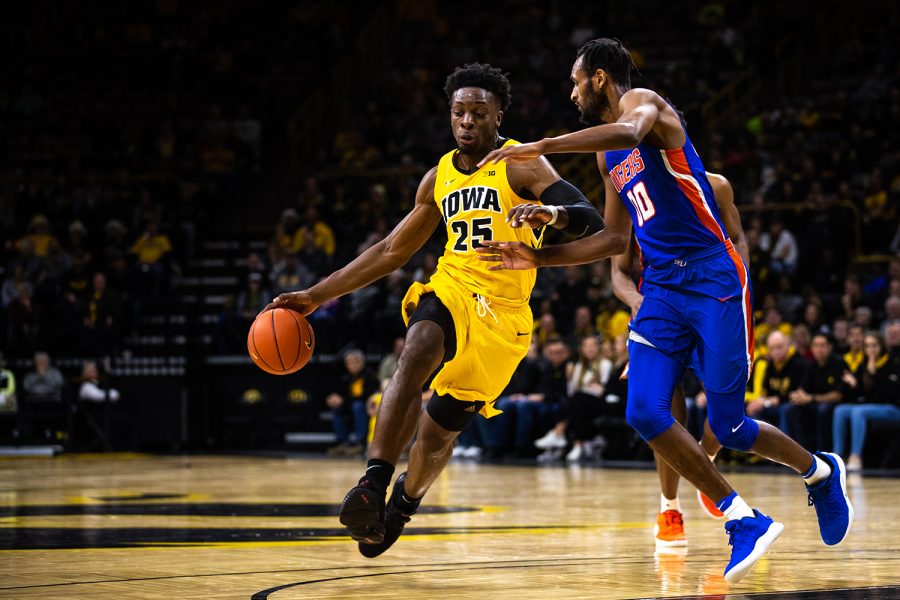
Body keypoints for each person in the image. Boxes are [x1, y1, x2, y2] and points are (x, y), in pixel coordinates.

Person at [476, 38, 852, 582]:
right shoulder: (608, 157)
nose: (571, 89)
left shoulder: (645, 106)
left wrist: (543, 145)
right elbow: (611, 239)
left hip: (713, 274)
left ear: (601, 79)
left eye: (576, 80)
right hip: (661, 290)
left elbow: (629, 131)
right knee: (645, 411)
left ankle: (819, 471)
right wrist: (536, 254)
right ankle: (741, 518)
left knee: (729, 423)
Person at [266, 63, 604, 557]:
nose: (466, 122)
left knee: (437, 436)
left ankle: (401, 506)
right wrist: (316, 296)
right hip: (453, 287)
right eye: (459, 112)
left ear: (497, 117)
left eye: (478, 113)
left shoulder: (521, 163)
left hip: (504, 316)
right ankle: (372, 482)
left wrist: (549, 214)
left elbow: (591, 220)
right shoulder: (438, 178)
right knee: (417, 346)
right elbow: (389, 253)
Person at [610, 170, 748, 546]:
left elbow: (736, 239)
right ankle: (669, 507)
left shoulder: (715, 186)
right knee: (662, 411)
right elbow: (619, 274)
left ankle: (703, 462)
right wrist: (638, 303)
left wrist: (738, 292)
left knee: (725, 412)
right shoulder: (634, 197)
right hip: (660, 308)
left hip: (711, 301)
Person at [835, 332, 900, 471]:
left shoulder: (892, 363)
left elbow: (888, 395)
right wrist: (854, 384)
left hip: (893, 409)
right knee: (840, 410)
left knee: (859, 411)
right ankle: (838, 457)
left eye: (874, 345)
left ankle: (856, 457)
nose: (871, 349)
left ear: (881, 346)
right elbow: (861, 395)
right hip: (872, 407)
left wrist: (874, 373)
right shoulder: (864, 364)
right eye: (867, 346)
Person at [786, 332, 845, 451]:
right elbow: (803, 388)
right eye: (816, 346)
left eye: (822, 345)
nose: (819, 349)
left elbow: (838, 395)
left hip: (837, 404)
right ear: (811, 348)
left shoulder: (838, 363)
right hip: (816, 402)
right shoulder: (812, 365)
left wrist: (811, 398)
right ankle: (801, 453)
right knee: (791, 409)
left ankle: (824, 452)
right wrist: (798, 395)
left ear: (830, 347)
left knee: (823, 410)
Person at [326, 349, 380, 457]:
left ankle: (360, 443)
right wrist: (334, 399)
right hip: (350, 407)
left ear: (361, 362)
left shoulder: (369, 376)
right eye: (349, 363)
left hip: (365, 408)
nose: (352, 366)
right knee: (337, 409)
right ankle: (343, 443)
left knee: (357, 406)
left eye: (354, 362)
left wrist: (344, 401)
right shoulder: (347, 378)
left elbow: (367, 397)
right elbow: (343, 395)